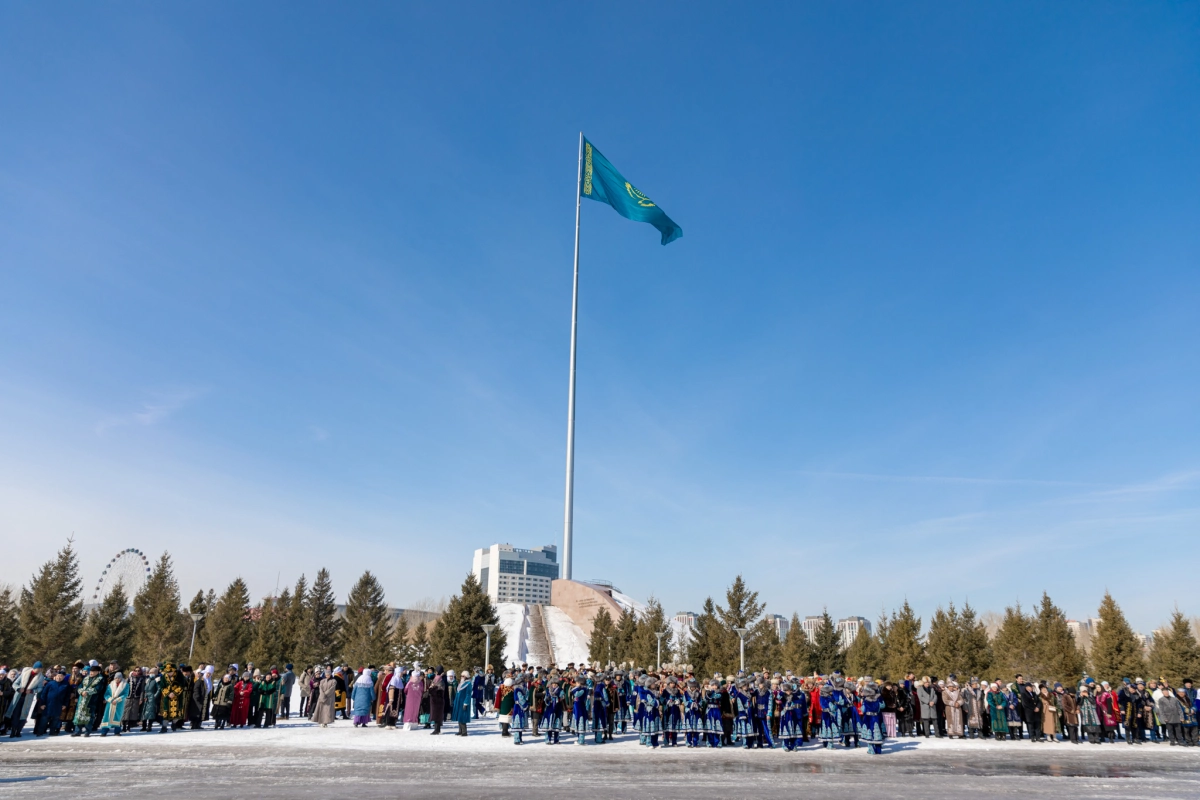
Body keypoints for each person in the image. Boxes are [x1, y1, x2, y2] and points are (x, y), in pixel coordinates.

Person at [8, 662, 45, 738]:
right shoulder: (24, 673)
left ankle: (18, 731)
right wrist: (18, 688)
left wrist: (32, 691)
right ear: (34, 668)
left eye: (40, 669)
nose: (39, 670)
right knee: (15, 714)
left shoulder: (41, 677)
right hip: (18, 697)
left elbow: (40, 688)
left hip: (28, 698)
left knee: (23, 715)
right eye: (38, 668)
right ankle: (13, 731)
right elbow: (15, 684)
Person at [71, 664, 104, 738]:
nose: (91, 673)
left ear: (97, 672)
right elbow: (80, 686)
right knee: (79, 715)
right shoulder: (86, 678)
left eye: (93, 671)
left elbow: (98, 688)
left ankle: (87, 731)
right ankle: (77, 731)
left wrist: (87, 692)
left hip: (91, 700)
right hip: (82, 699)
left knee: (89, 716)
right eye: (91, 671)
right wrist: (81, 691)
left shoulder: (100, 679)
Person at [99, 671, 128, 737]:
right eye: (116, 678)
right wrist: (111, 700)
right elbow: (106, 694)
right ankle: (104, 731)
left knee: (117, 717)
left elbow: (125, 694)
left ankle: (117, 731)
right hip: (110, 703)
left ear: (121, 678)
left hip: (119, 704)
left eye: (118, 678)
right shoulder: (110, 685)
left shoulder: (125, 685)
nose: (117, 679)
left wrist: (117, 700)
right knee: (106, 717)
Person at [452, 668, 474, 736]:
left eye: (463, 676)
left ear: (466, 677)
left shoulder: (468, 684)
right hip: (458, 702)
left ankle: (464, 731)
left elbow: (468, 694)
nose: (461, 677)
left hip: (463, 702)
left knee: (462, 717)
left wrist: (466, 703)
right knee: (459, 716)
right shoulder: (461, 683)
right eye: (461, 676)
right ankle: (460, 730)